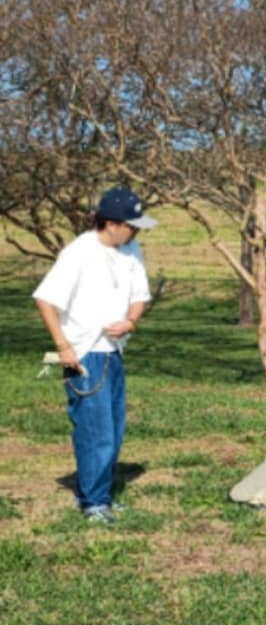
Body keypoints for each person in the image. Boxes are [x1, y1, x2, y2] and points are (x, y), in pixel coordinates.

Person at [33, 187, 157, 523]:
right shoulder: (79, 253)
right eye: (132, 225)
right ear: (112, 223)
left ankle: (100, 492)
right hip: (84, 353)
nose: (136, 231)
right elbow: (46, 300)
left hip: (113, 352)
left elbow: (139, 295)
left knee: (114, 429)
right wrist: (63, 347)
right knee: (94, 430)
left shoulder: (131, 250)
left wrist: (131, 321)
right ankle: (93, 502)